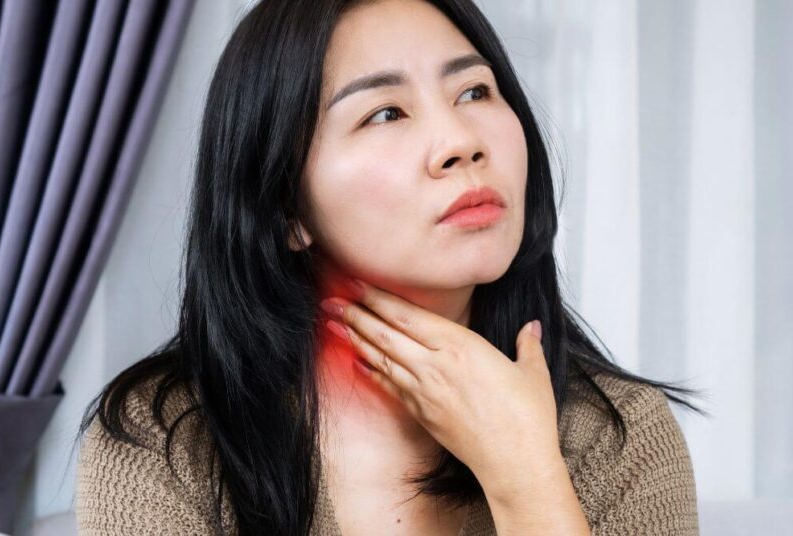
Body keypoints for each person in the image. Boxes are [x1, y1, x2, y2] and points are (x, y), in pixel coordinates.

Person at [73, 0, 708, 534]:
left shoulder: (619, 437)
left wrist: (529, 482)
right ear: (284, 208)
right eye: (385, 112)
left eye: (475, 90)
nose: (462, 142)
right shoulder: (164, 440)